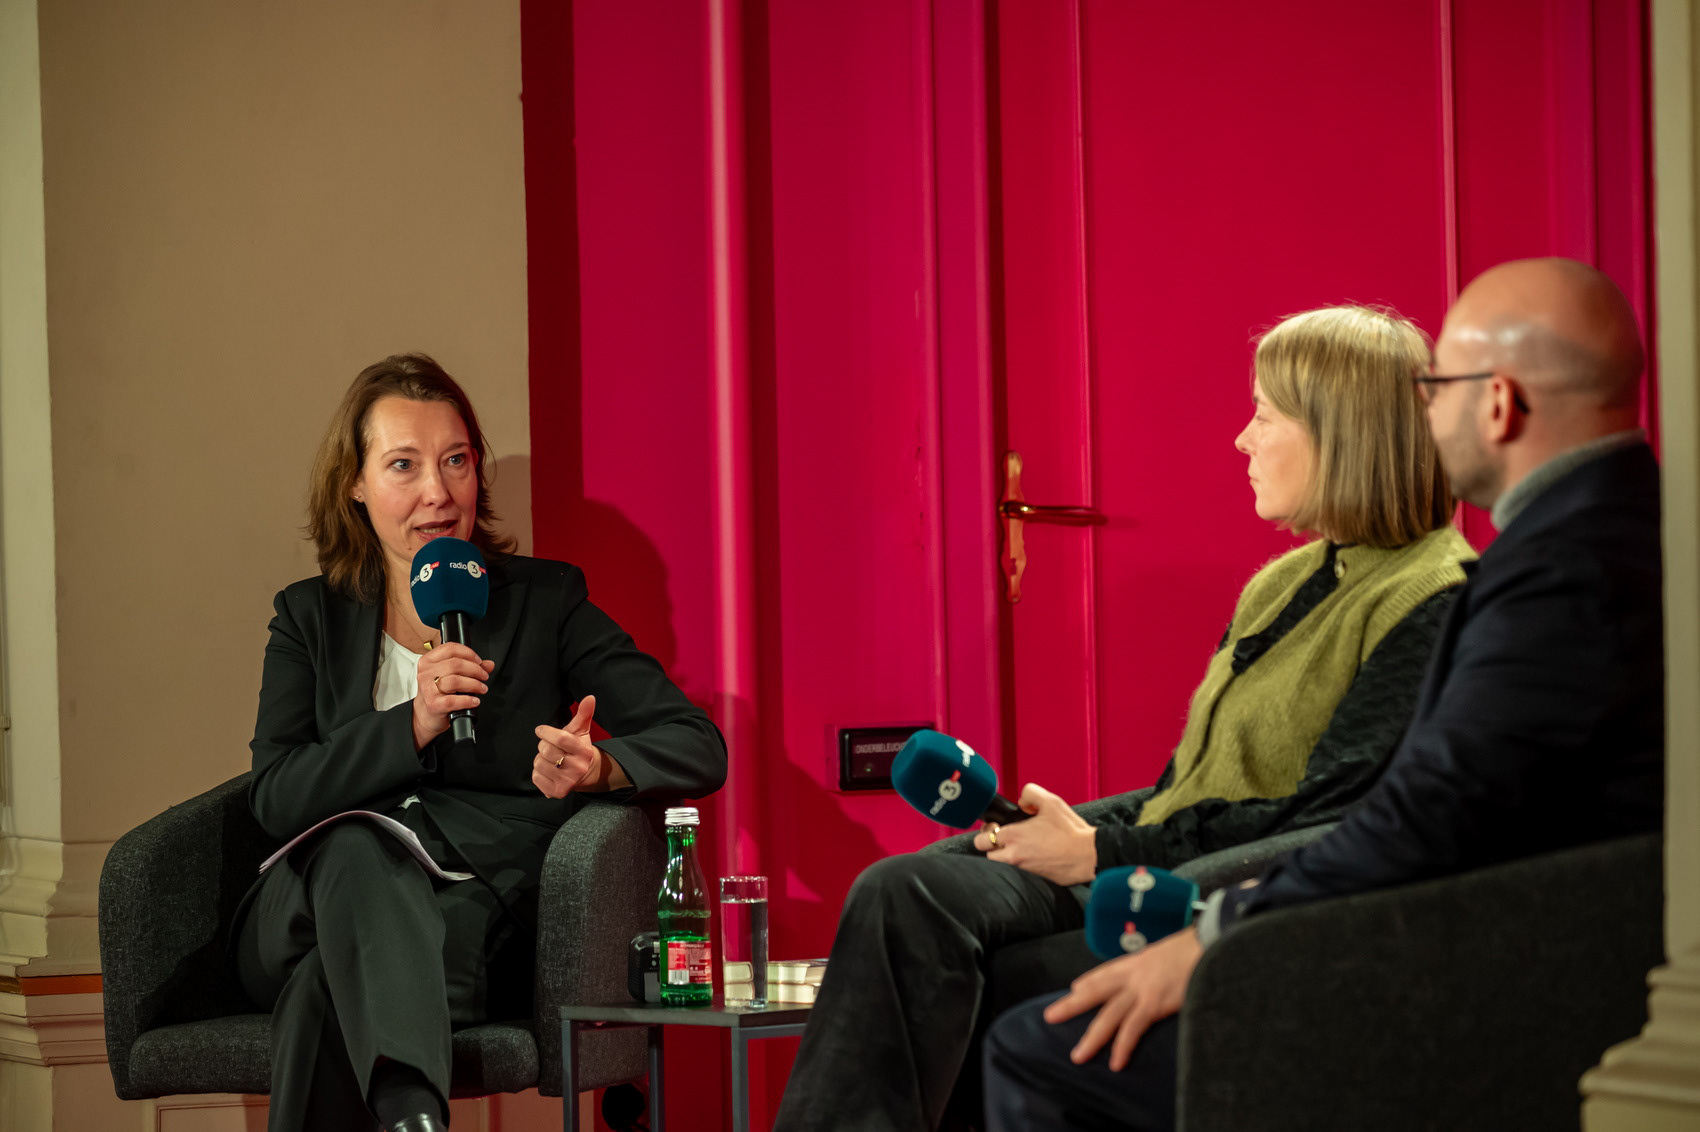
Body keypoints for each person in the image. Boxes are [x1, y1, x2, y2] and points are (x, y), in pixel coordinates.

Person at [981, 257, 1664, 1131]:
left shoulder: (1561, 571)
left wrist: (1219, 932)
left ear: (1498, 404)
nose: (1424, 416)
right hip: (1496, 926)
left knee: (1039, 1050)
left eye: (1437, 389)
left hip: (1497, 970)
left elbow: (1427, 816)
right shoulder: (1617, 529)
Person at [774, 305, 1477, 1132]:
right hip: (1160, 854)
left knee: (992, 972)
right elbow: (1191, 788)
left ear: (1342, 434)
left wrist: (1101, 852)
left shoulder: (1432, 597)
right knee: (904, 888)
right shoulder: (1283, 581)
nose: (1241, 440)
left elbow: (1336, 817)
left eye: (1263, 416)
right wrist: (1073, 834)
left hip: (1226, 896)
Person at [231, 355, 727, 1132]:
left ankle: (411, 1117)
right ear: (354, 483)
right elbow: (275, 795)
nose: (438, 491)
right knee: (357, 845)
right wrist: (413, 723)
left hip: (470, 915)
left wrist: (598, 767)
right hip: (305, 907)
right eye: (404, 465)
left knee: (324, 991)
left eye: (456, 461)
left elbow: (696, 743)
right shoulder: (308, 617)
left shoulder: (543, 601)